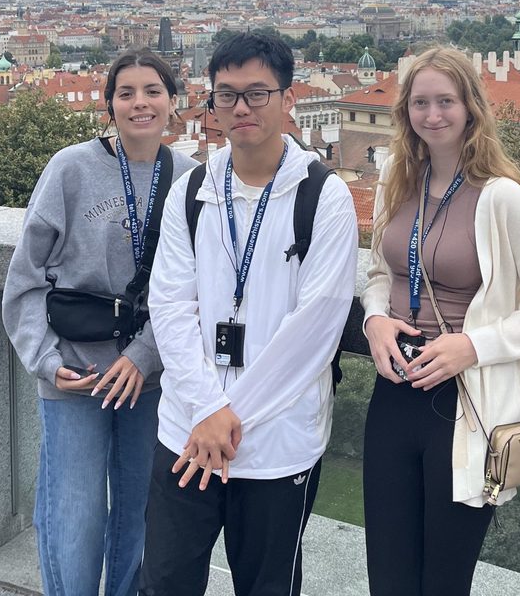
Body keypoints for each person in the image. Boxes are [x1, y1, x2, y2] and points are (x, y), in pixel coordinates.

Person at [140, 31, 358, 596]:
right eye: (227, 94)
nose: (241, 107)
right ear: (211, 103)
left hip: (276, 447)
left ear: (288, 99)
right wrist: (208, 409)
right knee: (164, 581)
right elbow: (168, 306)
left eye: (258, 93)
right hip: (187, 431)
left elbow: (314, 332)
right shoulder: (190, 191)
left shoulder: (323, 197)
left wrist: (223, 422)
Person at [361, 46, 520, 596]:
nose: (433, 115)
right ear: (406, 111)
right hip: (394, 391)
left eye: (446, 101)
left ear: (471, 107)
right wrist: (374, 322)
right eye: (420, 102)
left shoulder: (506, 200)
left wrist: (471, 346)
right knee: (387, 574)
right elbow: (377, 272)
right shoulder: (397, 181)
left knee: (443, 582)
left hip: (464, 403)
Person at [2, 48, 196, 596]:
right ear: (107, 105)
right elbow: (25, 279)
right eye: (126, 93)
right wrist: (44, 361)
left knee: (140, 513)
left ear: (171, 102)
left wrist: (142, 357)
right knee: (75, 514)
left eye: (152, 91)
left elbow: (192, 290)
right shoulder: (70, 167)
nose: (140, 103)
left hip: (150, 377)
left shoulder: (187, 178)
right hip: (76, 372)